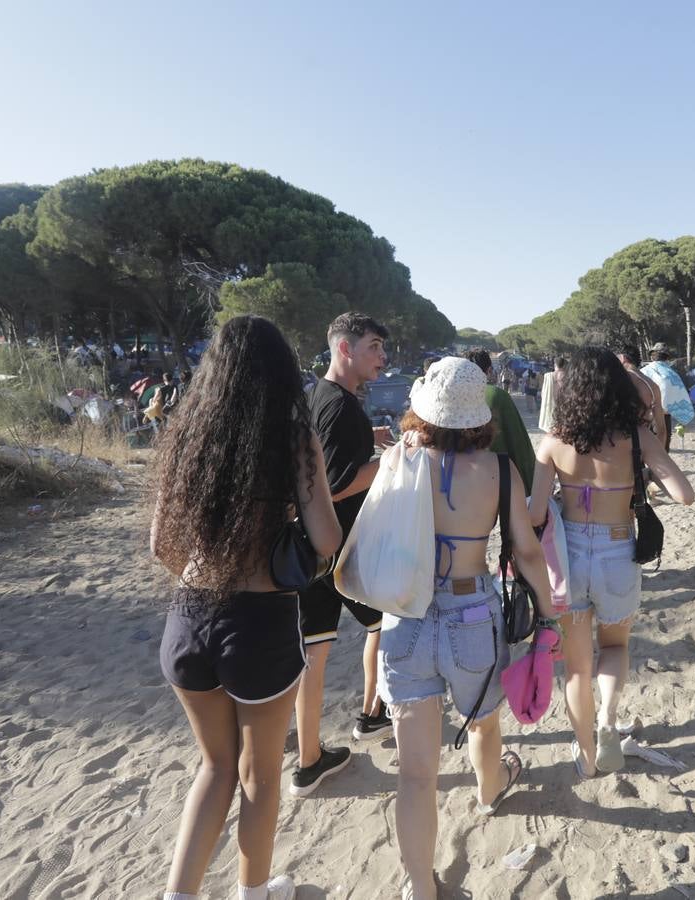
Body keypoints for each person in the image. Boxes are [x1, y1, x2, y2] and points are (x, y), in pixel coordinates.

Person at [153, 316, 343, 900]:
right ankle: (254, 893)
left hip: (188, 619)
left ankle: (178, 896)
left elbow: (162, 543)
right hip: (259, 626)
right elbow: (329, 540)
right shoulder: (291, 438)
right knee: (259, 776)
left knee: (213, 769)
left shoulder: (189, 431)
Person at [379, 357, 555, 900]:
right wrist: (549, 616)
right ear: (480, 414)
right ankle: (490, 789)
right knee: (482, 723)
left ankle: (420, 888)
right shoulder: (501, 470)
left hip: (405, 615)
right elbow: (525, 551)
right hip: (471, 613)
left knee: (415, 776)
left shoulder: (399, 460)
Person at [529, 348, 694, 777]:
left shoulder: (553, 441)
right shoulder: (637, 437)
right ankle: (607, 720)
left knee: (577, 666)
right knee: (616, 646)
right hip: (618, 550)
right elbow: (685, 494)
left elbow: (534, 513)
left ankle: (586, 756)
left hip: (570, 559)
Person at [295, 313, 396, 796]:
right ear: (345, 349)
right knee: (386, 624)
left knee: (315, 650)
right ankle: (371, 716)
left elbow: (321, 459)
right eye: (374, 346)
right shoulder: (339, 406)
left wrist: (368, 442)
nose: (382, 357)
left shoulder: (319, 397)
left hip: (315, 549)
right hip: (341, 548)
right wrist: (385, 463)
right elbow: (332, 484)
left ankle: (309, 758)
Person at [464, 350, 535, 491]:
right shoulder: (497, 396)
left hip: (454, 484)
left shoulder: (452, 396)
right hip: (495, 481)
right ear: (489, 370)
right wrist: (530, 484)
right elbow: (518, 445)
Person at [616, 347, 665, 434]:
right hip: (644, 438)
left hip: (620, 440)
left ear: (623, 358)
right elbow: (661, 429)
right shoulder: (652, 385)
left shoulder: (617, 380)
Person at [537, 357, 563, 433]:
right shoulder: (567, 375)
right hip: (562, 400)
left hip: (550, 401)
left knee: (551, 422)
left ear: (555, 364)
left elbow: (543, 392)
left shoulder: (548, 376)